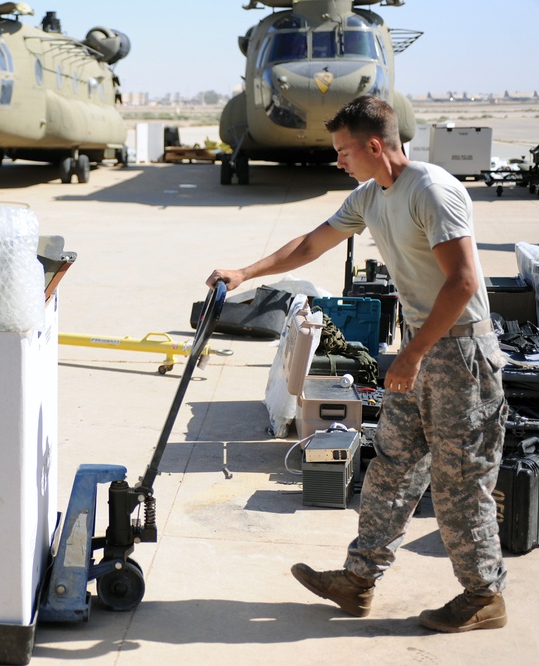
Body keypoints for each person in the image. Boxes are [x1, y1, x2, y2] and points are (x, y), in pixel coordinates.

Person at [207, 95, 508, 633]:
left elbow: (463, 283)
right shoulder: (371, 195)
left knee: (461, 480)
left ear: (374, 145)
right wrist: (245, 272)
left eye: (344, 151)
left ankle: (484, 596)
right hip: (421, 344)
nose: (339, 161)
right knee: (392, 466)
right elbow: (311, 245)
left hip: (459, 352)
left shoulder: (431, 190)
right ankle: (358, 580)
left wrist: (412, 356)